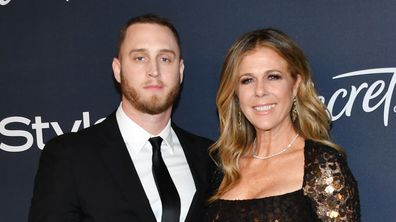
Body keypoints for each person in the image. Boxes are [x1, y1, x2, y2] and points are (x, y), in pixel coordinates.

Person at [29, 14, 214, 222]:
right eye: (140, 58)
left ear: (180, 71)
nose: (154, 71)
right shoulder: (70, 156)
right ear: (118, 70)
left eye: (165, 59)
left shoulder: (210, 158)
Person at [205, 28, 360, 221]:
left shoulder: (321, 165)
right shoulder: (224, 165)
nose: (260, 91)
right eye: (247, 80)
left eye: (273, 77)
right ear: (235, 92)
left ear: (295, 85)